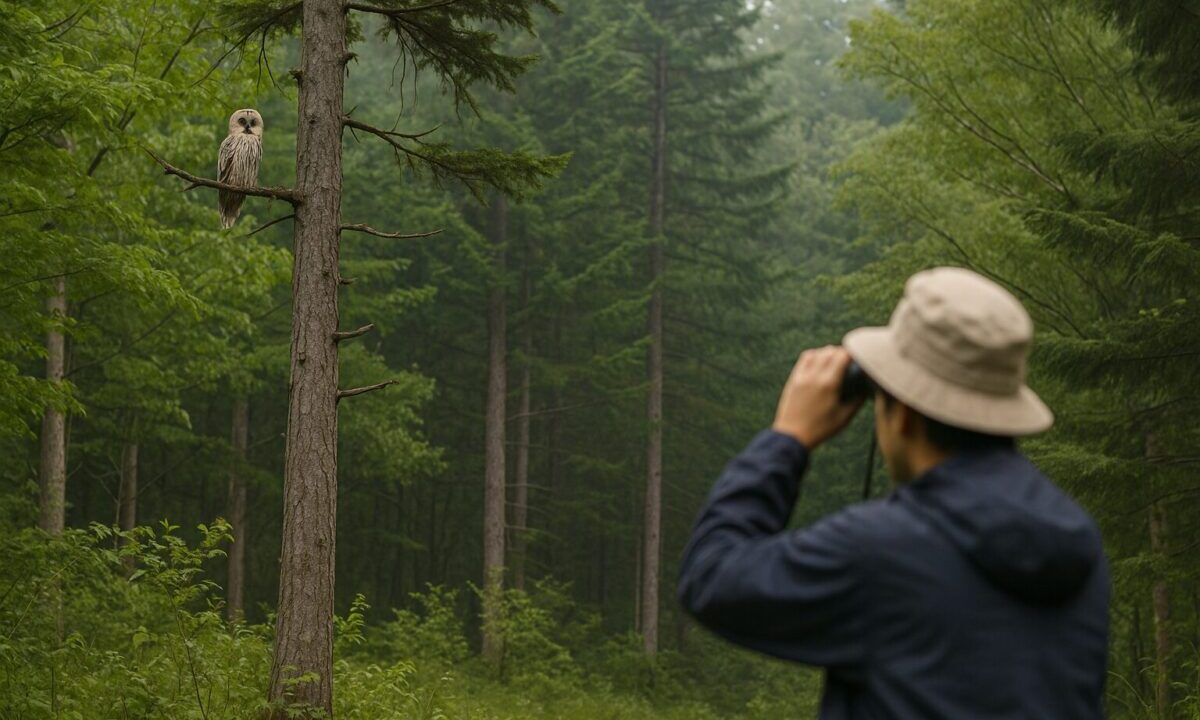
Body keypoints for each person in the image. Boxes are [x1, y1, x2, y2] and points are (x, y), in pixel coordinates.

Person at [677, 267, 1109, 719]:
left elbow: (711, 574)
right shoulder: (1079, 546)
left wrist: (788, 438)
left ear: (902, 414)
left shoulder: (880, 551)